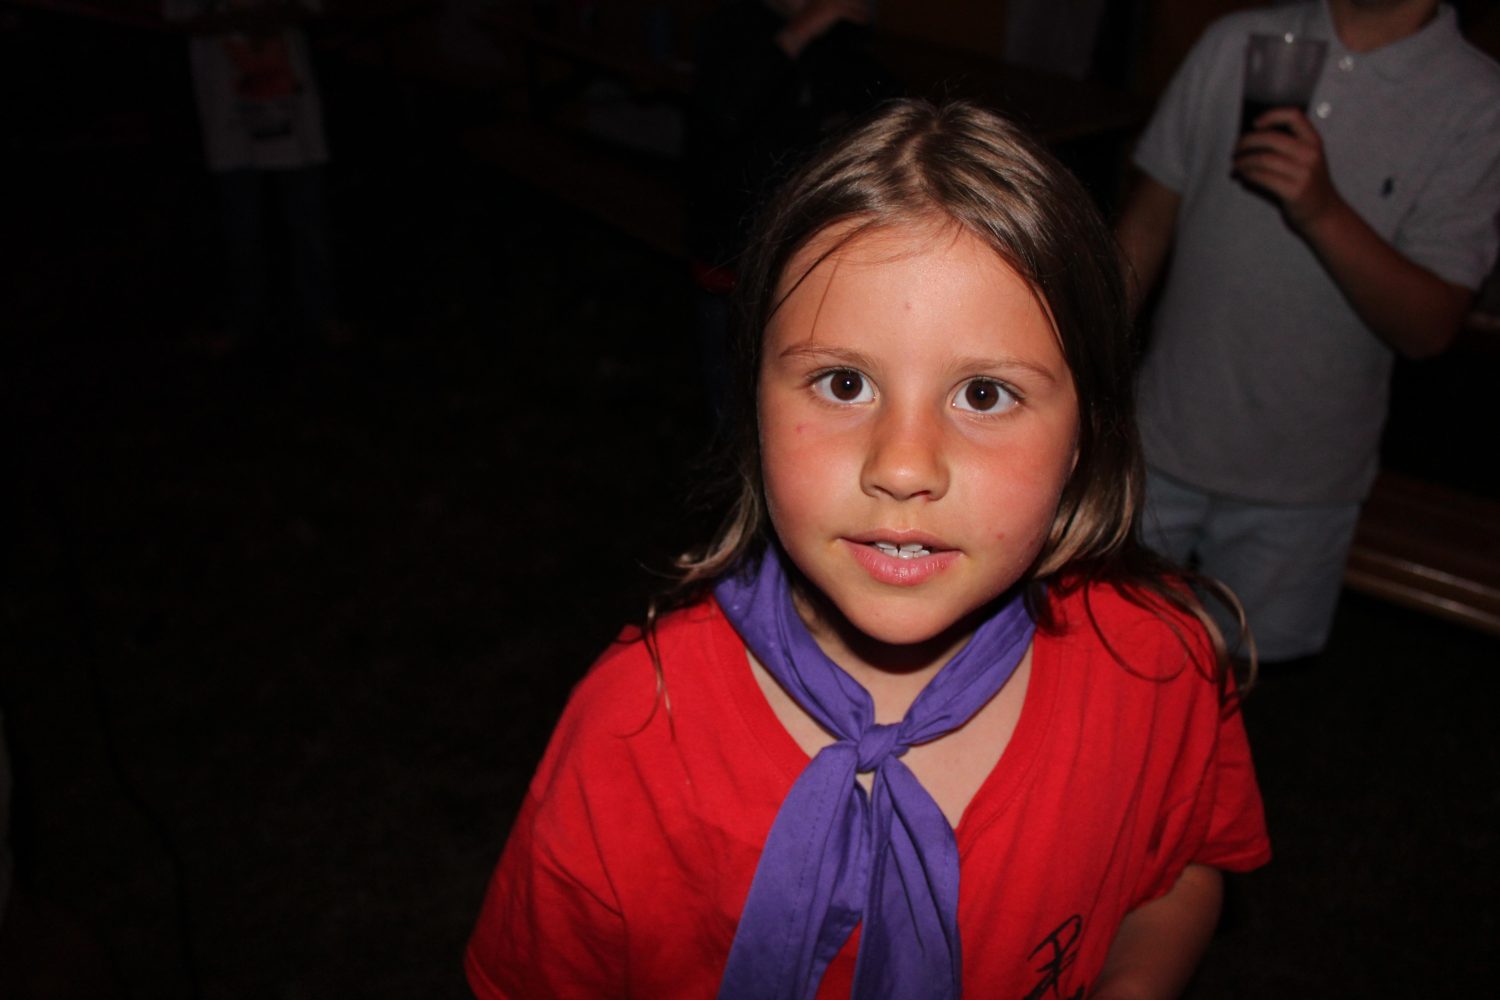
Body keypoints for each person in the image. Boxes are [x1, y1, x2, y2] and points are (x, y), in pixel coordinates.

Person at [466, 100, 1270, 999]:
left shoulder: (1156, 664)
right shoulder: (634, 729)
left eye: (985, 394)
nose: (903, 466)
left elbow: (1182, 864)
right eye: (844, 382)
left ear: (1086, 433)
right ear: (752, 404)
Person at [1115, 0, 1500, 662]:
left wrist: (1320, 210)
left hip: (1305, 484)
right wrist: (1071, 364)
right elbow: (1146, 224)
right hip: (1160, 442)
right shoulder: (1237, 42)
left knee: (1242, 682)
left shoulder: (1478, 101)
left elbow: (1430, 328)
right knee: (1107, 655)